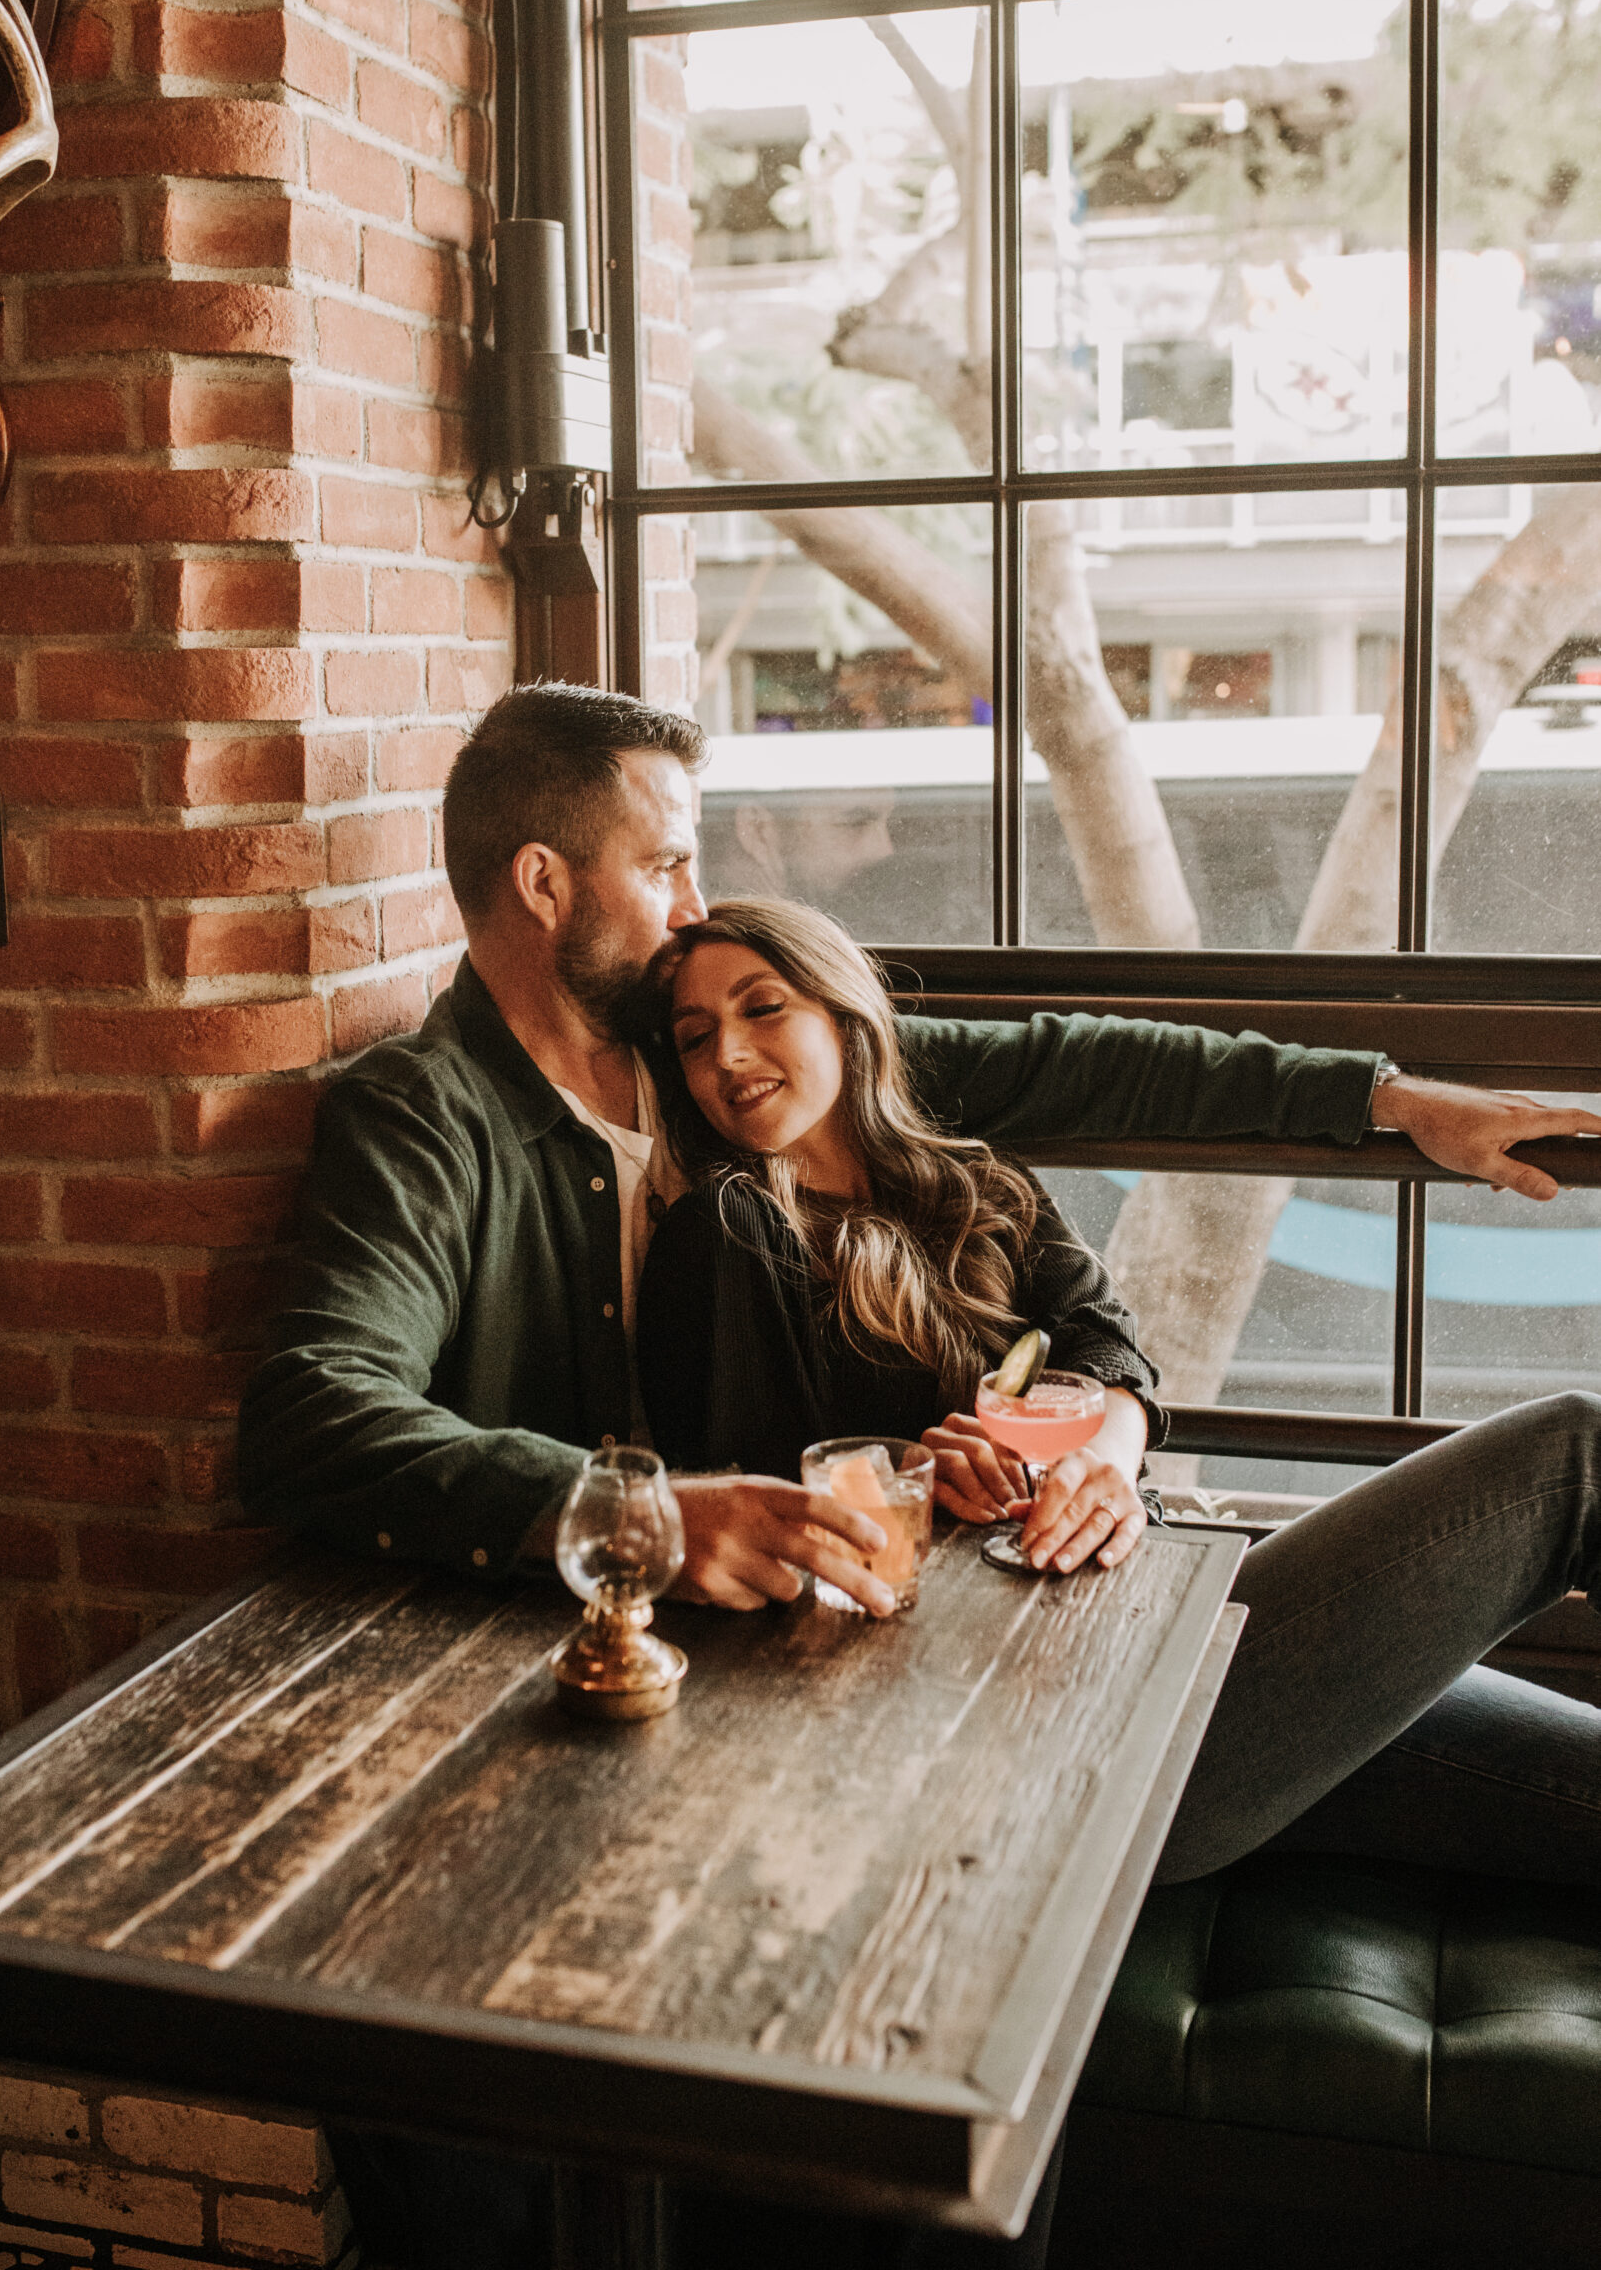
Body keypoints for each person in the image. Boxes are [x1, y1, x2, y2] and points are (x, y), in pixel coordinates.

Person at [235, 680, 1601, 2270]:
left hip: (1070, 1624)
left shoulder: (738, 1063)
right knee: (1566, 1458)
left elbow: (1092, 1068)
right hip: (882, 1697)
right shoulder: (434, 1116)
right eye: (666, 864)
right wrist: (656, 1517)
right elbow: (312, 1412)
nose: (693, 916)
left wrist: (1381, 1107)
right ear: (545, 885)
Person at [638, 896, 1601, 1894]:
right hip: (1059, 1724)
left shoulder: (966, 1177)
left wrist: (1101, 1457)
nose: (728, 1055)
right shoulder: (726, 1232)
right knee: (1573, 1456)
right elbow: (757, 1532)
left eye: (763, 1009)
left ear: (844, 1015)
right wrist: (917, 1479)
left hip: (1163, 1616)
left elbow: (1103, 1338)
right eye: (695, 1036)